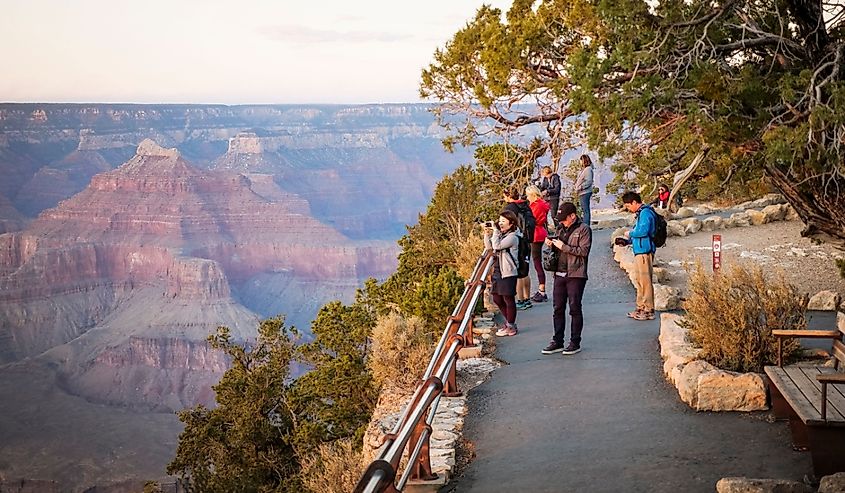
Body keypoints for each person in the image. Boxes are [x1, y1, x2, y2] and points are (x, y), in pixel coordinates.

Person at [541, 202, 592, 355]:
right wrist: (550, 244)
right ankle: (557, 341)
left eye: (564, 219)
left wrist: (564, 247)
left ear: (572, 216)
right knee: (557, 308)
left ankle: (575, 342)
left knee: (574, 307)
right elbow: (557, 248)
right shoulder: (559, 228)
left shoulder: (584, 230)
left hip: (576, 274)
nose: (562, 222)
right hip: (559, 273)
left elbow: (584, 251)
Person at [617, 191, 657, 321]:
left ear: (634, 202)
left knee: (645, 282)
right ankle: (640, 307)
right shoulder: (640, 214)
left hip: (645, 251)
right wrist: (627, 241)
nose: (629, 209)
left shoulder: (645, 213)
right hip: (639, 250)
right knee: (640, 281)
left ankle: (648, 309)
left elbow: (643, 231)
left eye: (628, 206)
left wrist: (630, 233)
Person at [483, 210, 521, 337]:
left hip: (508, 272)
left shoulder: (513, 237)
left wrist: (495, 231)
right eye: (499, 221)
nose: (500, 223)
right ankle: (509, 322)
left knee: (508, 298)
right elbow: (490, 248)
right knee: (497, 298)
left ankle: (511, 325)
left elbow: (497, 246)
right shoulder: (501, 235)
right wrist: (486, 234)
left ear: (511, 224)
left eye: (503, 221)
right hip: (498, 270)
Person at [503, 187, 534, 310]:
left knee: (519, 273)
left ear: (508, 196)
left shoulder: (509, 209)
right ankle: (527, 298)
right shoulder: (525, 205)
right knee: (525, 270)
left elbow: (504, 224)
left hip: (516, 241)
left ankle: (520, 300)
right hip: (527, 240)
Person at [525, 185, 550, 302]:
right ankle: (541, 288)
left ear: (533, 195)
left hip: (535, 234)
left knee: (537, 262)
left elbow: (531, 219)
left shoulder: (536, 206)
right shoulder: (541, 204)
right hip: (539, 232)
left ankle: (542, 289)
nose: (527, 197)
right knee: (536, 262)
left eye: (528, 195)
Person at [573, 154, 594, 226]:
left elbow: (589, 181)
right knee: (584, 209)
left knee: (585, 210)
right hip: (582, 192)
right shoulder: (584, 170)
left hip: (585, 192)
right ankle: (585, 224)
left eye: (581, 161)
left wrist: (580, 187)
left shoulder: (588, 169)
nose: (580, 163)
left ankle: (586, 225)